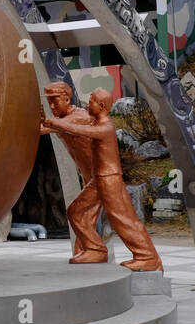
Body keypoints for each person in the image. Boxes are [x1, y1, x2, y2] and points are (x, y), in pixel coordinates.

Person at [40, 82, 163, 271]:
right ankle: (95, 250)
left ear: (102, 106)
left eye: (92, 102)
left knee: (120, 217)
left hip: (108, 177)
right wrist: (47, 123)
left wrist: (53, 122)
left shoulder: (102, 126)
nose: (88, 106)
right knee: (82, 213)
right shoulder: (92, 122)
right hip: (100, 177)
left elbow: (79, 129)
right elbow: (63, 127)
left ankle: (146, 257)